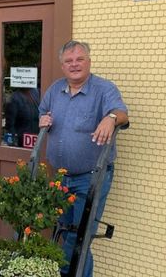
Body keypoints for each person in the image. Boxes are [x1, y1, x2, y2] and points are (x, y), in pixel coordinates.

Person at [38, 41, 129, 277]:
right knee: (68, 235)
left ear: (89, 61)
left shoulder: (104, 89)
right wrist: (42, 121)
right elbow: (42, 112)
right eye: (68, 61)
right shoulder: (54, 90)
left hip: (90, 178)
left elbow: (122, 113)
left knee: (79, 238)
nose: (74, 64)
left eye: (79, 59)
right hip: (60, 178)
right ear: (62, 65)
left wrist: (110, 118)